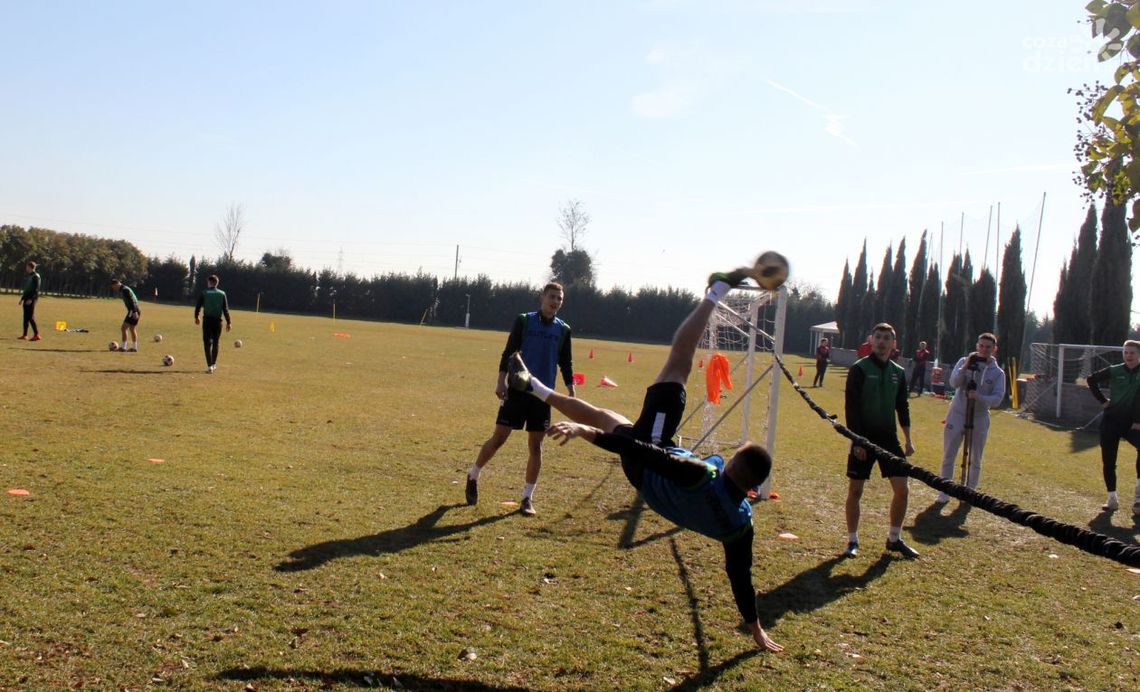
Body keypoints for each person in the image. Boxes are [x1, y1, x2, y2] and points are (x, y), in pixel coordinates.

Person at [505, 265, 782, 652]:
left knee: (680, 362)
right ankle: (532, 385)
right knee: (604, 415)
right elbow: (740, 576)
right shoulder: (740, 525)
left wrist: (585, 434)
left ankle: (716, 291)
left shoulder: (701, 474)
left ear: (735, 467)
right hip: (647, 480)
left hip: (651, 457)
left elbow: (641, 450)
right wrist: (755, 628)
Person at [465, 283, 575, 516]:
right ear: (542, 297)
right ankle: (473, 474)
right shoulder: (524, 321)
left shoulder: (564, 329)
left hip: (543, 395)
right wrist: (500, 382)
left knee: (536, 446)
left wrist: (571, 390)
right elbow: (509, 353)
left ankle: (527, 498)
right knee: (499, 439)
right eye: (552, 297)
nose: (555, 301)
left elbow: (566, 362)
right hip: (517, 391)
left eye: (560, 298)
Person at [843, 323, 918, 559]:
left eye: (887, 338)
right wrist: (857, 441)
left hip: (889, 439)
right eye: (878, 337)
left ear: (894, 344)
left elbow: (902, 406)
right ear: (871, 340)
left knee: (902, 490)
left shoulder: (899, 372)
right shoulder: (859, 369)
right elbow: (851, 408)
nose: (882, 342)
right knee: (856, 490)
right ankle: (852, 541)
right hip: (863, 438)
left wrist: (908, 439)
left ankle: (894, 539)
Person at [935, 334, 1006, 503]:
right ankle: (944, 492)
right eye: (981, 346)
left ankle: (969, 493)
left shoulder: (998, 373)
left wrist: (979, 397)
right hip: (957, 413)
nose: (984, 350)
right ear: (976, 346)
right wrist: (966, 365)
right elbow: (954, 383)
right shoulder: (963, 361)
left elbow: (997, 399)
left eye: (988, 347)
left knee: (975, 458)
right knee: (949, 454)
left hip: (979, 417)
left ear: (994, 349)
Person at [1086, 340, 1140, 513]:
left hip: (1133, 423)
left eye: (1132, 352)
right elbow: (1091, 380)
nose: (1128, 356)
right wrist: (1103, 401)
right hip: (1111, 421)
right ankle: (1112, 498)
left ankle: (1138, 494)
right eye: (1126, 352)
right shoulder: (1115, 370)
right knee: (1109, 461)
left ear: (1139, 354)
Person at [194, 274, 232, 373]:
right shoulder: (222, 293)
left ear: (210, 282)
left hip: (207, 321)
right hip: (218, 321)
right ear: (216, 283)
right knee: (216, 342)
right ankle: (214, 364)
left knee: (207, 343)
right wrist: (229, 322)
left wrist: (196, 317)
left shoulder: (204, 293)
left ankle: (209, 365)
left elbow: (198, 306)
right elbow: (225, 309)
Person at [111, 279, 141, 351]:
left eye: (113, 287)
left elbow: (132, 301)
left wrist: (134, 312)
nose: (114, 289)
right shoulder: (124, 289)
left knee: (123, 328)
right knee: (132, 328)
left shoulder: (125, 290)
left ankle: (123, 347)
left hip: (133, 310)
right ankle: (134, 348)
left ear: (117, 284)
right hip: (135, 310)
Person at [18, 261, 41, 341]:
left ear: (30, 267)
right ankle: (25, 335)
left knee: (30, 317)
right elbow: (27, 289)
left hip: (31, 299)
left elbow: (36, 289)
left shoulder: (35, 276)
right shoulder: (30, 276)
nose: (26, 268)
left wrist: (31, 299)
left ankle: (37, 335)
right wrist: (22, 299)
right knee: (25, 317)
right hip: (27, 298)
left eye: (27, 267)